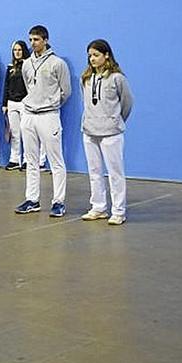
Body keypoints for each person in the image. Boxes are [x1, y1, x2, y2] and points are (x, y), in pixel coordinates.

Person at [14, 25, 72, 217]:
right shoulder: (27, 64)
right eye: (30, 40)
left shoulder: (58, 63)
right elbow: (29, 86)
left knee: (56, 161)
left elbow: (66, 92)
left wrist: (51, 103)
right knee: (31, 161)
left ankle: (58, 201)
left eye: (36, 40)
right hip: (29, 115)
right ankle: (32, 199)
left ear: (45, 40)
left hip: (49, 116)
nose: (32, 43)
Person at [79, 39, 134, 226]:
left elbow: (127, 103)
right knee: (94, 171)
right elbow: (86, 104)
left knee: (115, 173)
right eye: (90, 56)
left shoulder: (117, 78)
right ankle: (98, 207)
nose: (92, 59)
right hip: (89, 131)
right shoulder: (85, 78)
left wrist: (115, 121)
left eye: (96, 55)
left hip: (111, 133)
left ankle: (118, 211)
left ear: (106, 55)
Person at [2, 41, 30, 170]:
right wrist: (4, 103)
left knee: (26, 132)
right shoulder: (10, 67)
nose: (17, 52)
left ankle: (27, 159)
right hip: (11, 103)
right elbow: (6, 86)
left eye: (19, 50)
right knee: (14, 133)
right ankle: (14, 159)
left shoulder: (28, 65)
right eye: (15, 50)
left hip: (24, 103)